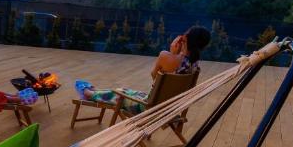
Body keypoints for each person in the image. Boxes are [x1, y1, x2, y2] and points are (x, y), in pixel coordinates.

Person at [75, 26, 211, 115]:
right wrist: (176, 54)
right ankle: (95, 91)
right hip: (169, 109)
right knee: (126, 90)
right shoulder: (195, 65)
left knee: (119, 94)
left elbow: (155, 78)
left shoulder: (166, 56)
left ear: (184, 38)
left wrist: (172, 53)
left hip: (149, 108)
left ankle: (87, 93)